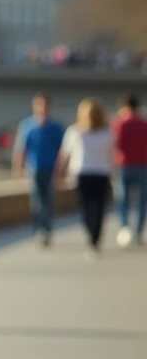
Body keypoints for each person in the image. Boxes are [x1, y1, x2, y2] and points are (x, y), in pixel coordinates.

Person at [58, 98, 115, 257]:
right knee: (98, 207)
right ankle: (95, 238)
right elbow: (112, 156)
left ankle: (92, 237)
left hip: (84, 174)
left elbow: (64, 156)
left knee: (86, 207)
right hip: (100, 174)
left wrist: (60, 173)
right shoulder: (106, 133)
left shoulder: (75, 132)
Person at [12, 93, 67, 245]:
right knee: (37, 201)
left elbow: (63, 151)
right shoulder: (27, 126)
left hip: (51, 169)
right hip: (34, 168)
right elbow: (21, 150)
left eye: (45, 104)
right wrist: (19, 170)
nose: (42, 107)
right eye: (39, 104)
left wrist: (61, 171)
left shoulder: (56, 127)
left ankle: (47, 230)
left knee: (48, 201)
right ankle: (39, 229)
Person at [111, 93, 147, 247]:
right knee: (141, 202)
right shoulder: (144, 124)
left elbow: (113, 145)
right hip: (143, 166)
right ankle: (138, 231)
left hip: (124, 166)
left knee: (122, 200)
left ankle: (125, 228)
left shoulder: (119, 124)